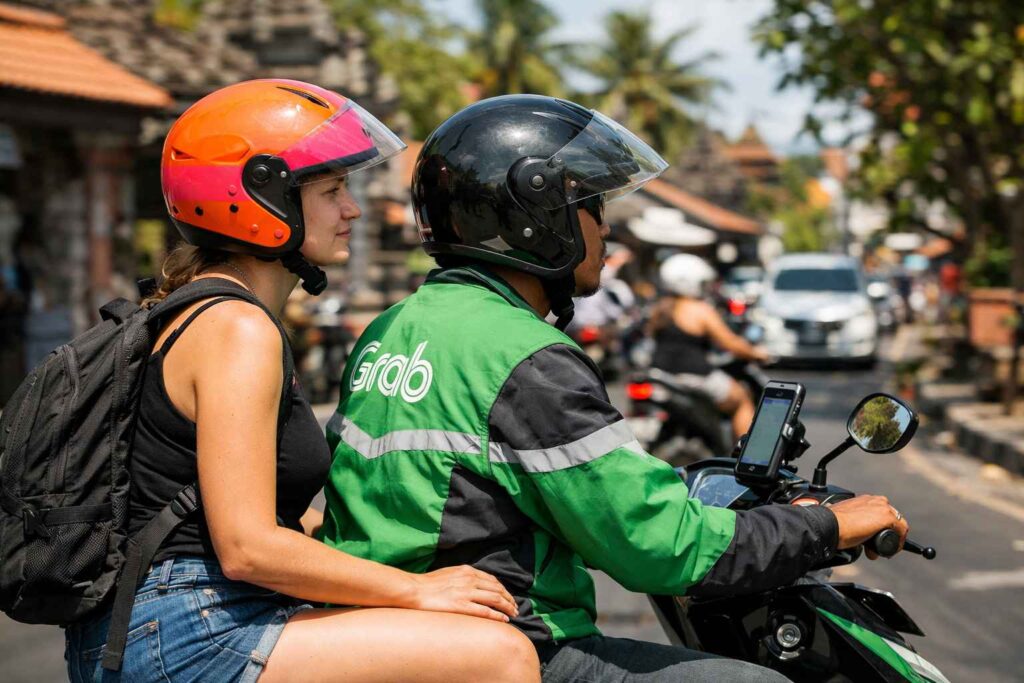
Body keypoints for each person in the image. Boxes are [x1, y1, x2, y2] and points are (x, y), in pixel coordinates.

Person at [319, 94, 911, 682]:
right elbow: (659, 544)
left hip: (387, 628)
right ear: (536, 216)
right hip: (505, 642)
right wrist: (823, 524)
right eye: (591, 205)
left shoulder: (391, 327)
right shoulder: (524, 355)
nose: (604, 226)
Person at [63, 80, 539, 683]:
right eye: (333, 190)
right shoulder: (237, 328)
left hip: (158, 620)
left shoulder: (200, 309)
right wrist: (415, 589)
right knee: (497, 654)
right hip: (185, 627)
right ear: (262, 195)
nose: (353, 210)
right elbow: (248, 548)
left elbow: (234, 518)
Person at [648, 253, 769, 440]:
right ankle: (746, 458)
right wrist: (756, 353)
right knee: (742, 398)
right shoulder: (698, 309)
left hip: (659, 374)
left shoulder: (659, 308)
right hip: (695, 376)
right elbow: (730, 343)